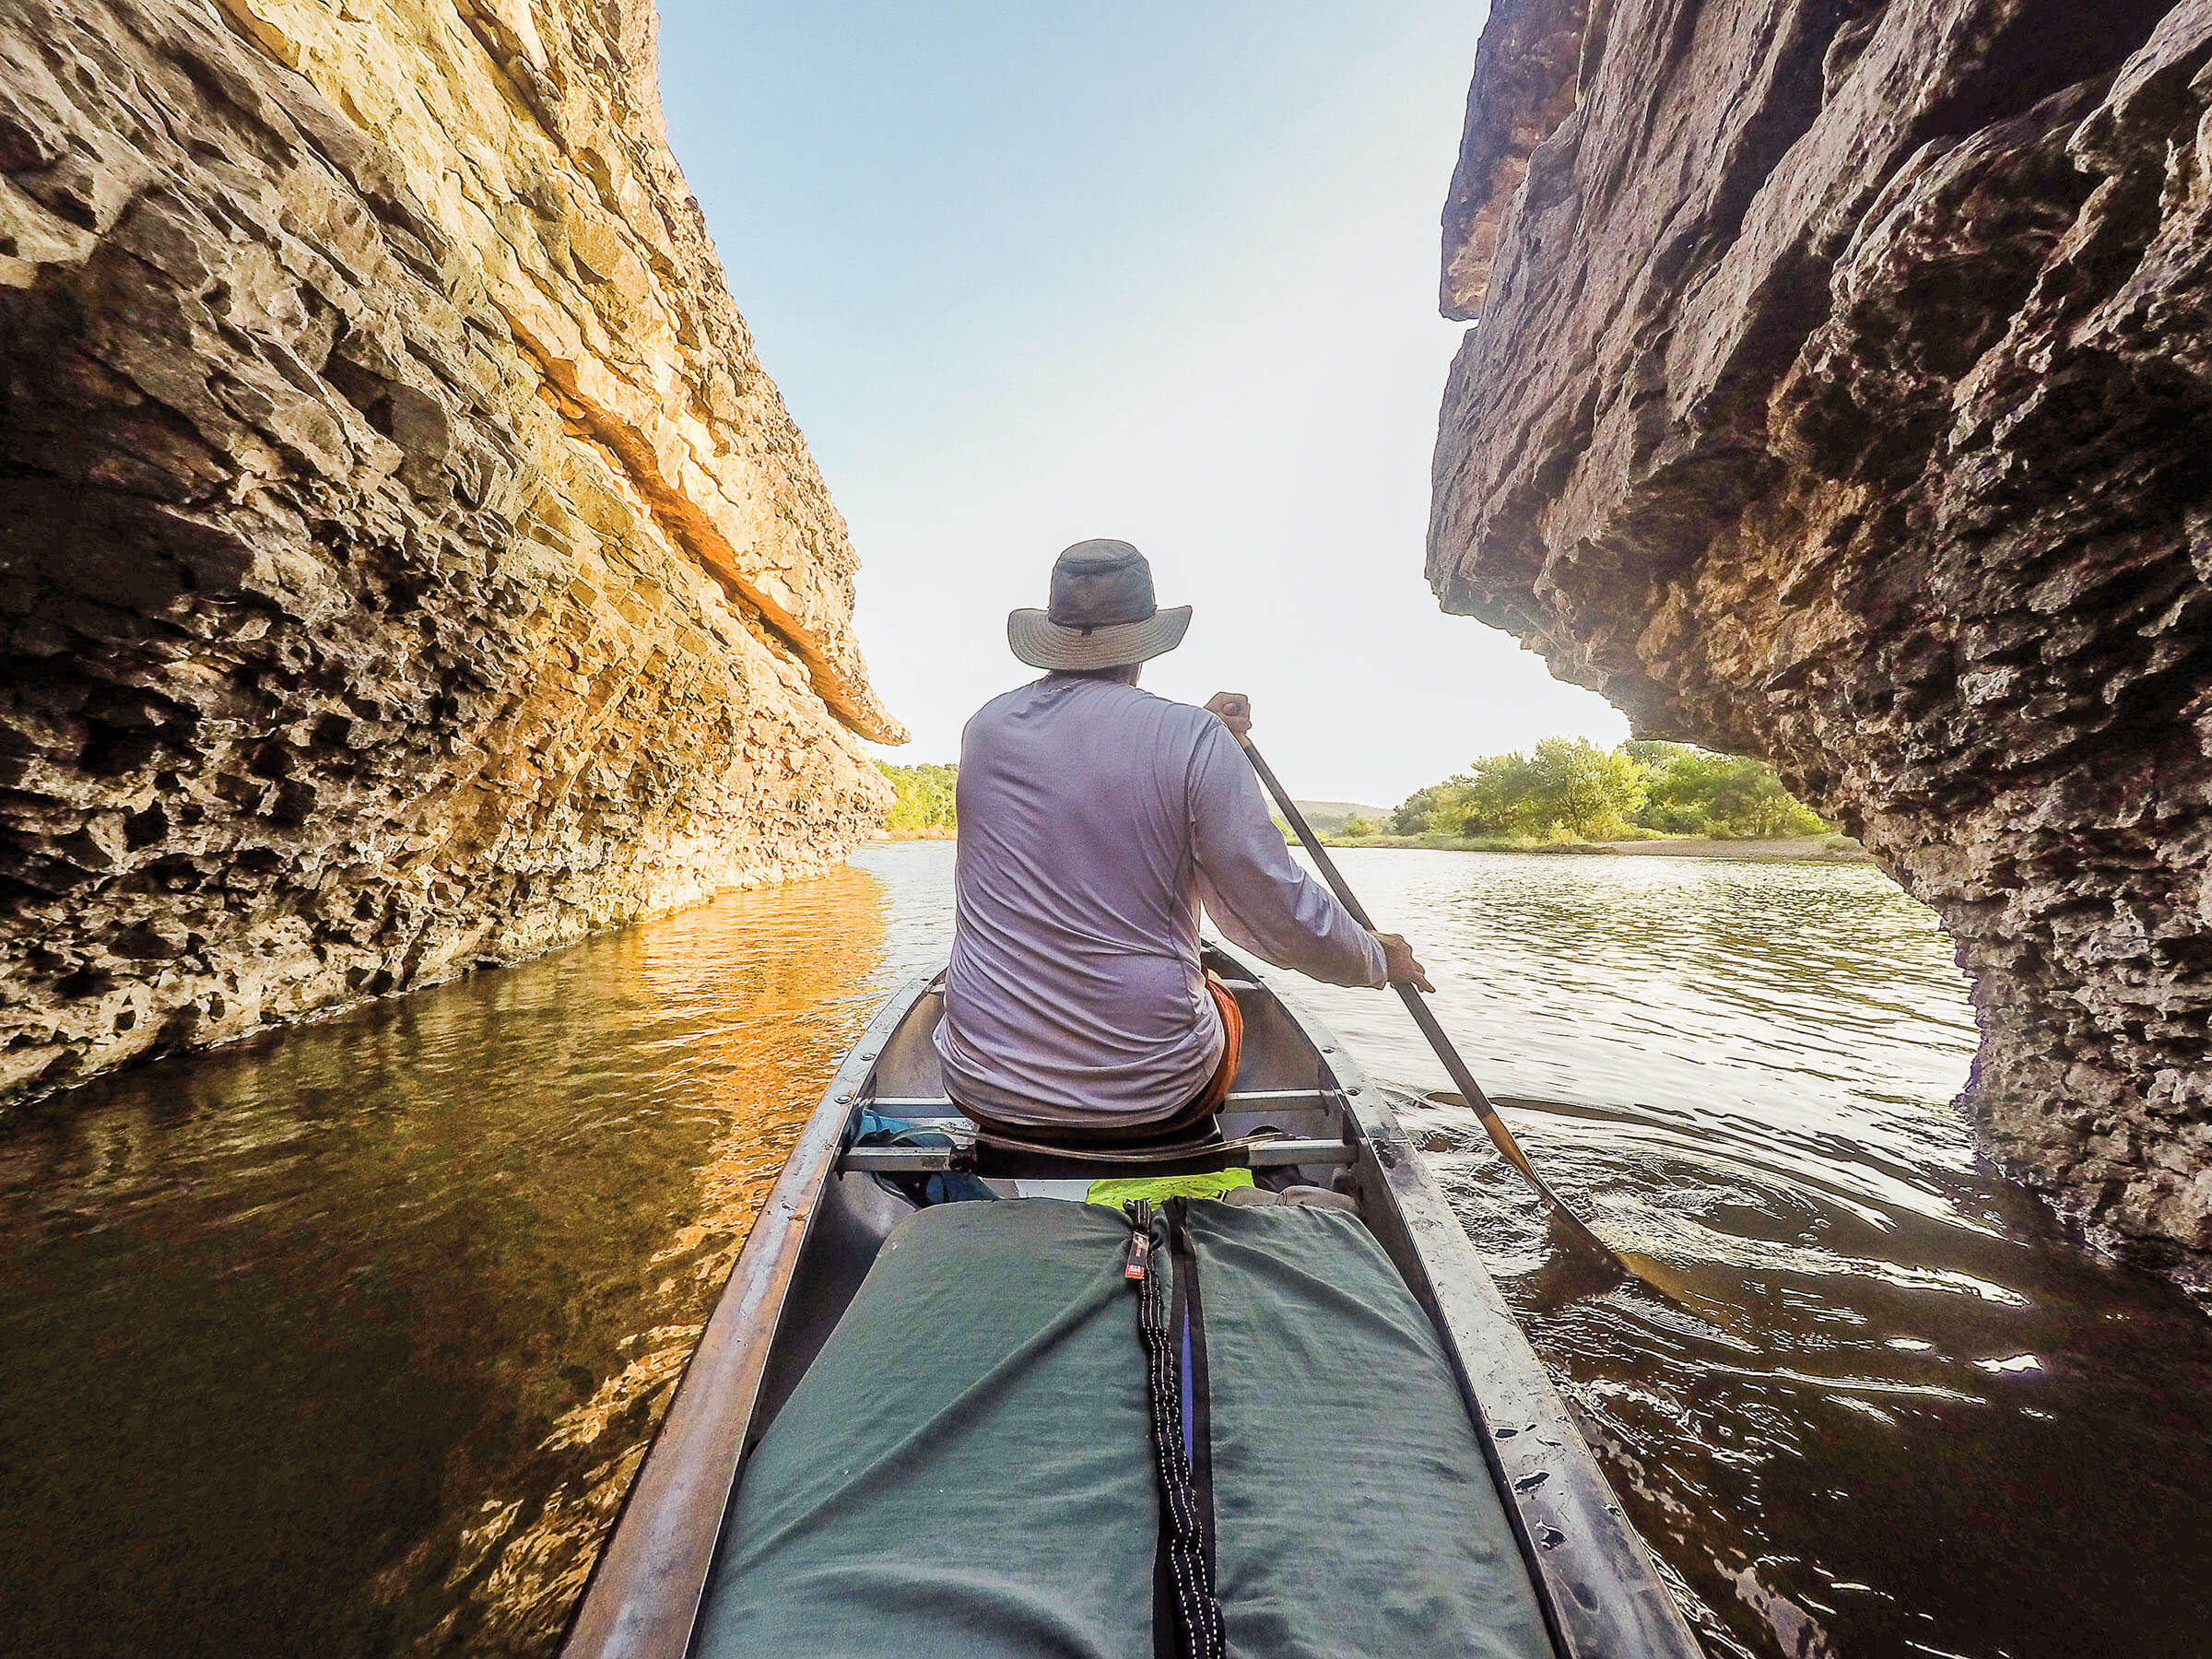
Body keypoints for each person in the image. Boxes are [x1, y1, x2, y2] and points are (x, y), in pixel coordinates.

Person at [934, 537, 1430, 1144]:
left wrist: (1202, 735)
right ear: (1145, 639)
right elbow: (1275, 912)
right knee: (1220, 995)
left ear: (1055, 634)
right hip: (1154, 1097)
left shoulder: (983, 730)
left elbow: (1087, 767)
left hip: (983, 1087)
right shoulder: (1192, 739)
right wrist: (1378, 959)